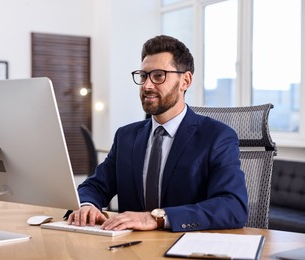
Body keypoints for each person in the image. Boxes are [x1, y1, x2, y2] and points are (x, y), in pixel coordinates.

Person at [68, 35, 248, 232]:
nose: (146, 85)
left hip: (185, 246)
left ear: (185, 81)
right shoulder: (126, 136)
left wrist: (157, 218)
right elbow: (95, 186)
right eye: (144, 76)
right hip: (129, 248)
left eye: (158, 75)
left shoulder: (217, 136)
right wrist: (88, 205)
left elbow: (233, 207)